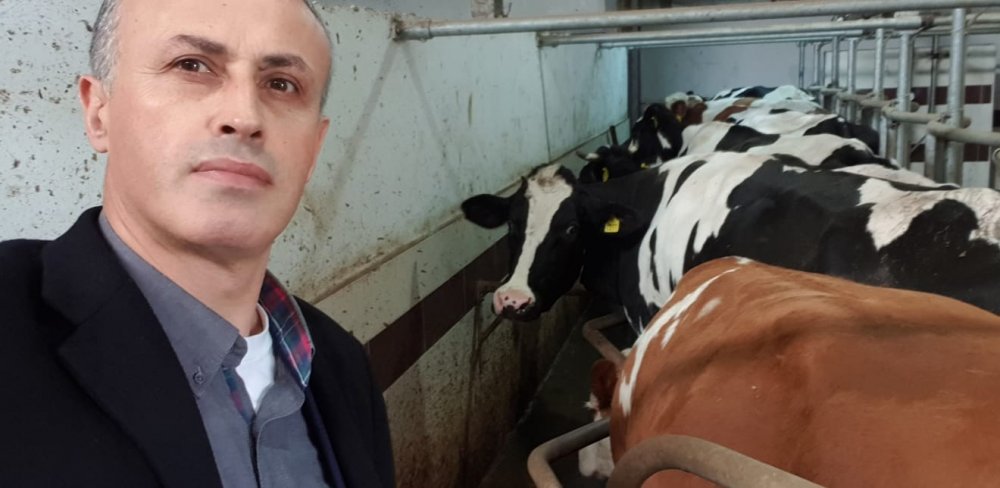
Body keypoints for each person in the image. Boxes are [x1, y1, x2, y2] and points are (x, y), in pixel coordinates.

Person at [0, 0, 394, 486]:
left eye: (281, 84)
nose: (244, 116)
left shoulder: (341, 364)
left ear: (313, 150)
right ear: (99, 112)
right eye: (192, 65)